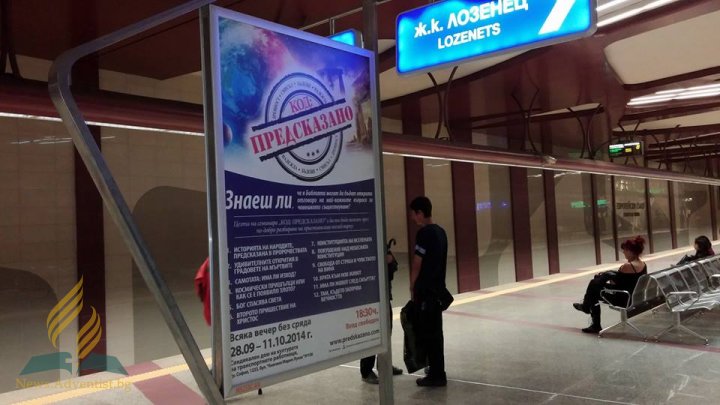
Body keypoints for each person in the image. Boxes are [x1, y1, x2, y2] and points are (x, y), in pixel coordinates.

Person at [409, 196, 448, 387]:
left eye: (413, 214)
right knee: (436, 333)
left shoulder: (424, 234)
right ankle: (437, 369)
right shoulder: (441, 232)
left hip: (426, 291)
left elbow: (418, 262)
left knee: (429, 333)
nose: (412, 218)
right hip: (438, 291)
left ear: (420, 213)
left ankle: (436, 375)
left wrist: (412, 285)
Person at [573, 236, 647, 334]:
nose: (623, 252)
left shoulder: (628, 266)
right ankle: (586, 307)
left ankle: (591, 317)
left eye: (625, 250)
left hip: (624, 298)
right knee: (596, 283)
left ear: (630, 251)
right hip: (634, 295)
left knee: (594, 289)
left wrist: (604, 277)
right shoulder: (643, 264)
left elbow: (615, 283)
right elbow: (624, 280)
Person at [360, 243, 404, 384]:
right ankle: (366, 371)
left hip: (384, 296)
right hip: (370, 297)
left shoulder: (382, 244)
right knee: (371, 333)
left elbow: (394, 265)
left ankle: (384, 364)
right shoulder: (364, 245)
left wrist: (389, 261)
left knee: (387, 331)